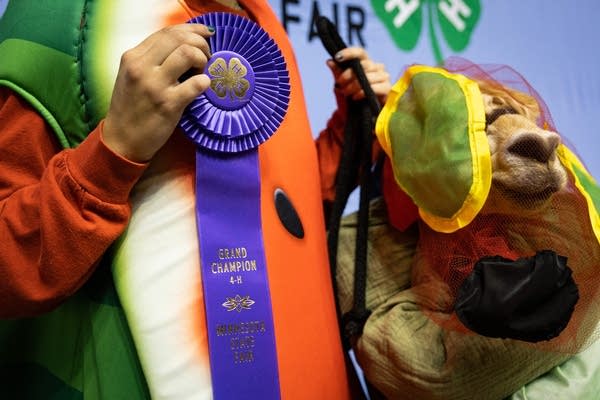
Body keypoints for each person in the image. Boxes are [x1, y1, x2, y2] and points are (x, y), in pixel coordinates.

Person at [0, 0, 390, 398]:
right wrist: (113, 153)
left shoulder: (262, 21)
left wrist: (356, 125)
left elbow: (286, 208)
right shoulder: (62, 15)